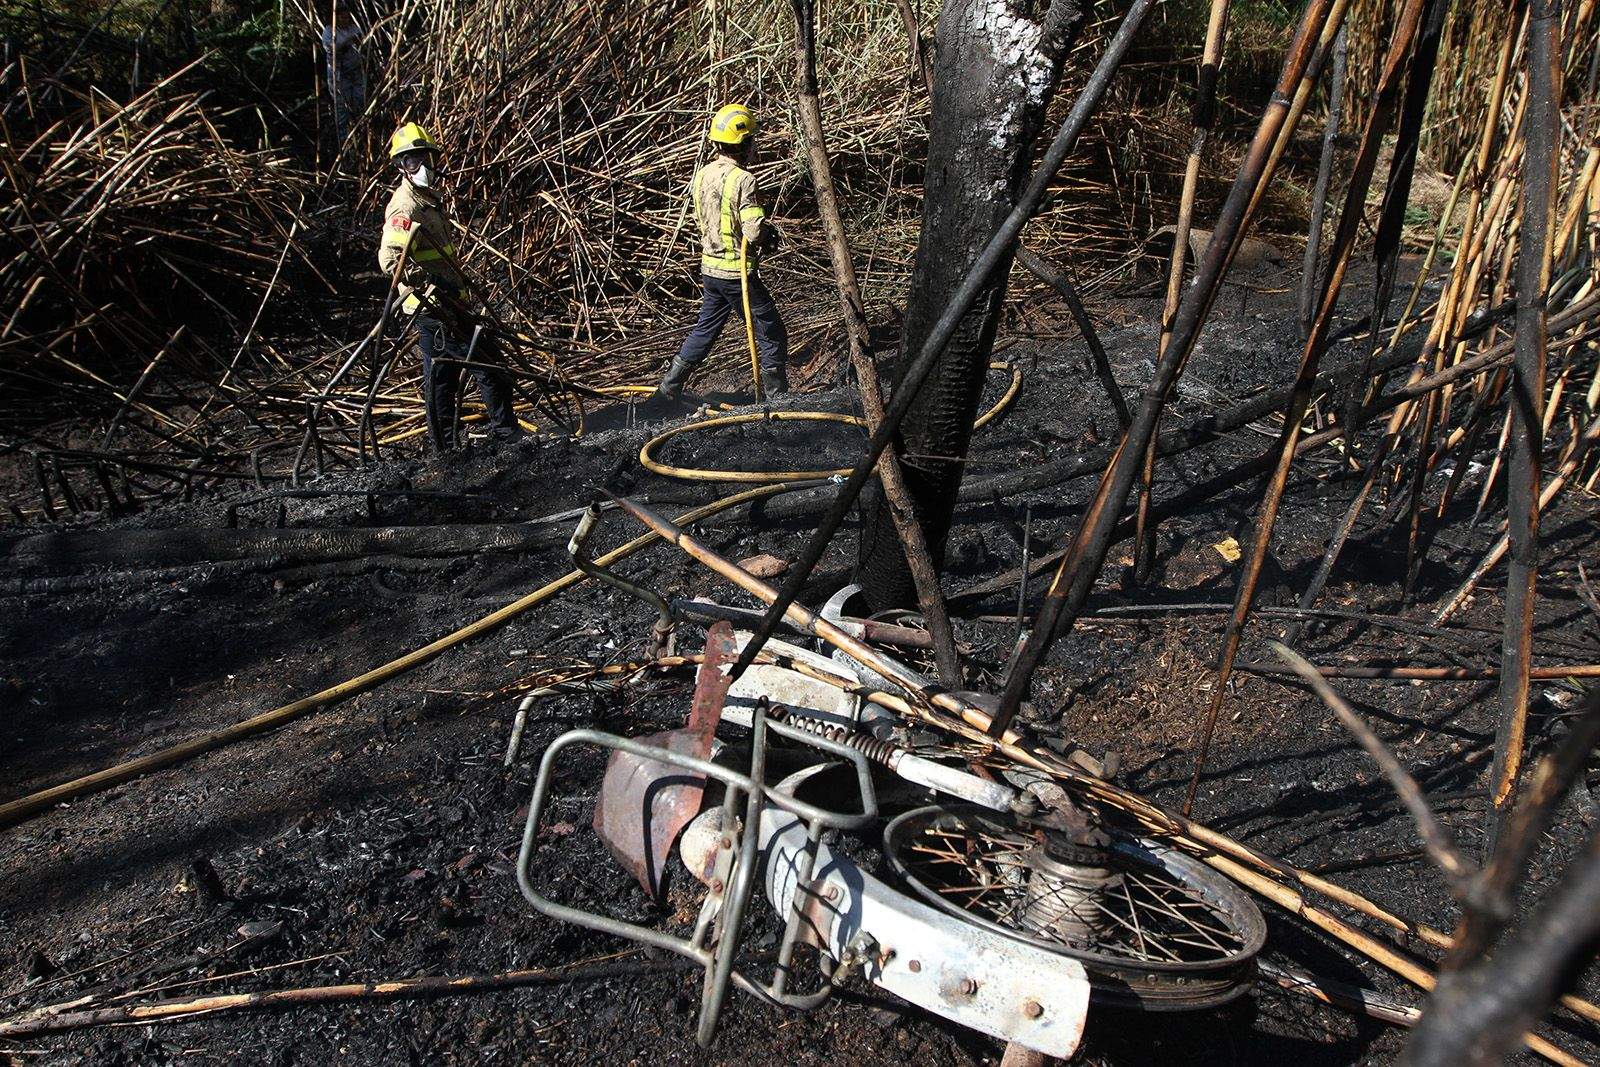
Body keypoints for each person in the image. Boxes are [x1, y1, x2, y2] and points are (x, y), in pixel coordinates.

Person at [378, 121, 519, 450]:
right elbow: (389, 260)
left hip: (447, 304)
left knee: (442, 378)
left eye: (425, 157)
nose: (422, 165)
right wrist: (431, 282)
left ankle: (443, 445)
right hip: (432, 307)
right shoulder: (406, 206)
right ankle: (506, 435)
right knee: (487, 364)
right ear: (401, 166)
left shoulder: (427, 199)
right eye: (413, 160)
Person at [655, 103, 789, 401]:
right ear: (743, 145)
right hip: (736, 274)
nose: (756, 146)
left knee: (705, 330)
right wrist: (767, 233)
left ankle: (667, 390)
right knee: (771, 332)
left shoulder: (701, 175)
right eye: (753, 140)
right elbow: (753, 231)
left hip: (710, 270)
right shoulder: (744, 180)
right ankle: (779, 400)